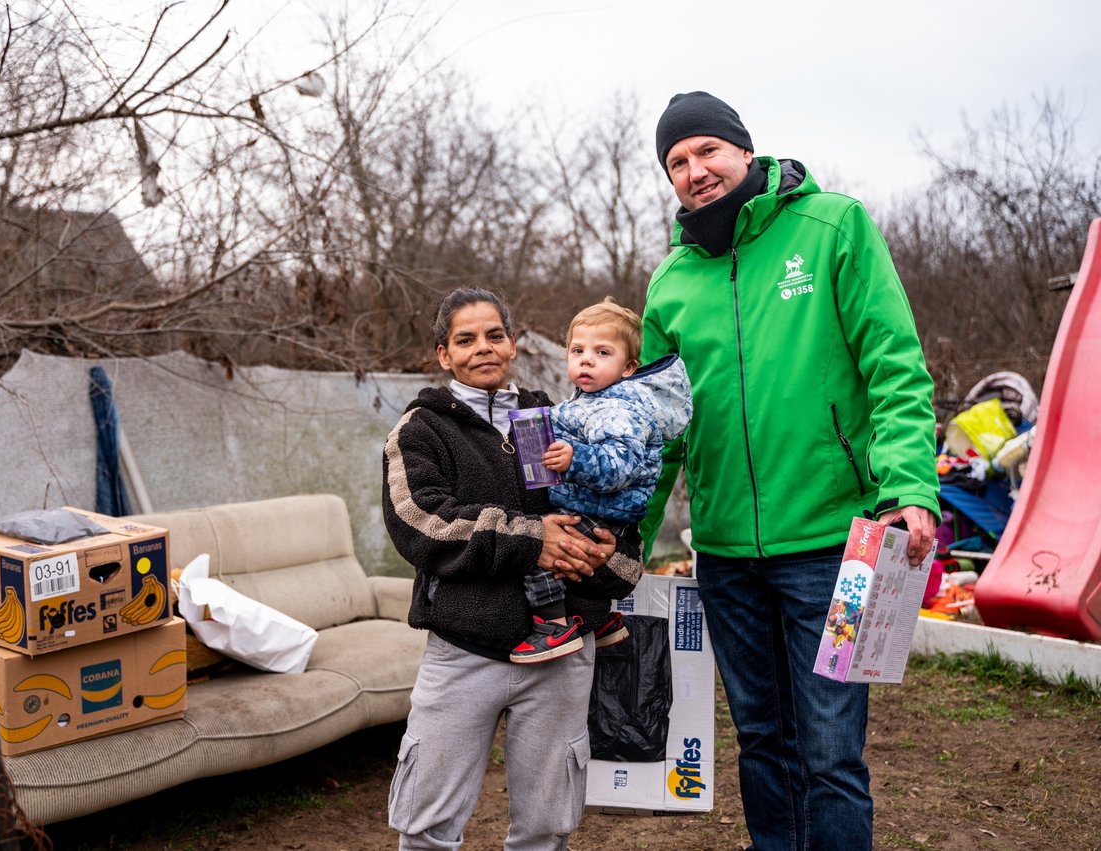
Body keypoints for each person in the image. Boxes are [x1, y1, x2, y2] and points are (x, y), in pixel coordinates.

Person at [639, 91, 940, 851]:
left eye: (707, 150)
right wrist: (624, 544)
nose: (695, 170)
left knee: (831, 750)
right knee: (763, 741)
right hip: (728, 559)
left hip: (834, 549)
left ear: (744, 150)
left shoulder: (834, 225)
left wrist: (908, 486)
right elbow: (652, 431)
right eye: (677, 161)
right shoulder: (670, 284)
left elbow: (894, 365)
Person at [382, 286, 643, 850]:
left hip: (562, 654)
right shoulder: (422, 431)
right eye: (465, 339)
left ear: (513, 345)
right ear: (443, 355)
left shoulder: (554, 419)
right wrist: (532, 541)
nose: (483, 348)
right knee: (426, 825)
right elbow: (423, 523)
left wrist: (607, 557)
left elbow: (612, 508)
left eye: (494, 335)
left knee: (547, 829)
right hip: (464, 651)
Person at [509, 297, 692, 664]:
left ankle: (554, 627)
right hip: (592, 506)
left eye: (602, 352)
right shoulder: (589, 401)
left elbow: (620, 465)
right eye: (577, 350)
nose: (586, 359)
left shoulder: (620, 408)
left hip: (603, 511)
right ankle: (599, 619)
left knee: (541, 557)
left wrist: (574, 459)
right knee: (573, 563)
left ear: (628, 367)